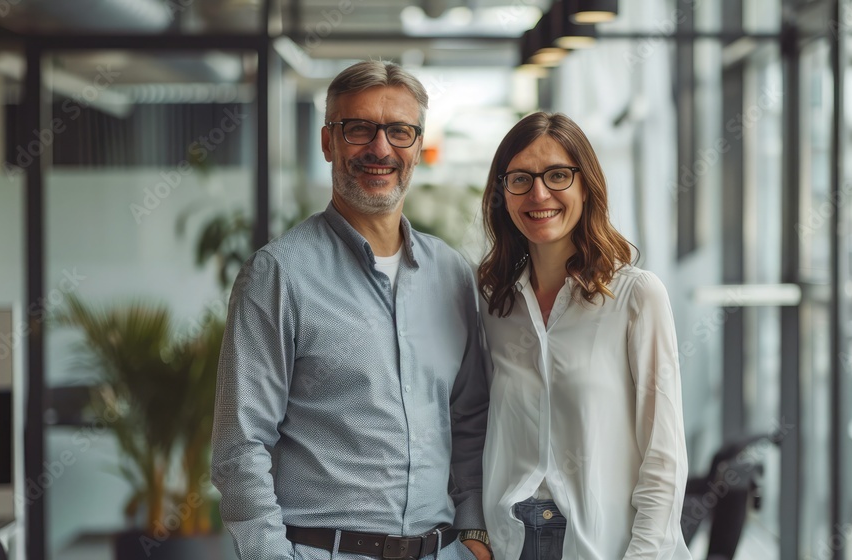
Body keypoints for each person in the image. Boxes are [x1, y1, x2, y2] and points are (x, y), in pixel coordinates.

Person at [211, 60, 492, 560]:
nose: (380, 148)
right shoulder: (279, 275)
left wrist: (474, 536)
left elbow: (470, 419)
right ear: (328, 142)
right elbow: (241, 446)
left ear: (417, 147)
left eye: (399, 132)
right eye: (358, 129)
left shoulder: (452, 275)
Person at [477, 112, 692, 559]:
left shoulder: (636, 297)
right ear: (503, 194)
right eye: (520, 179)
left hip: (605, 545)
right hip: (511, 542)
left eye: (558, 175)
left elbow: (664, 458)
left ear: (585, 184)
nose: (539, 194)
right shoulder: (491, 303)